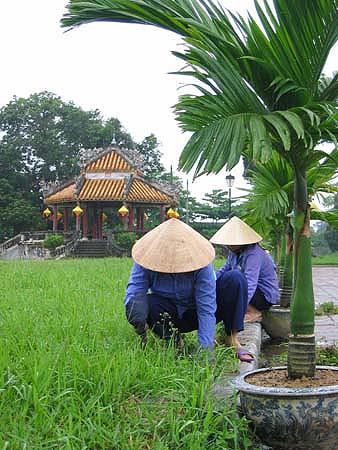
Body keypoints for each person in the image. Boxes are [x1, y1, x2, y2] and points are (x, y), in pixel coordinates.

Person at [124, 217, 252, 362]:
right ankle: (174, 341)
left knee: (235, 278)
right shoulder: (145, 262)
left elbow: (206, 309)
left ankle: (231, 338)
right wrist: (138, 318)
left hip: (196, 311)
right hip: (170, 314)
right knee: (144, 302)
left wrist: (206, 350)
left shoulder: (202, 266)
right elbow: (134, 293)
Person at [210, 216, 279, 325]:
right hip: (252, 290)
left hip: (264, 295)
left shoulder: (253, 254)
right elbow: (224, 270)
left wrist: (239, 309)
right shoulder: (234, 253)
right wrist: (210, 279)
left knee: (235, 286)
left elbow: (250, 283)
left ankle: (254, 312)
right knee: (225, 282)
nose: (230, 245)